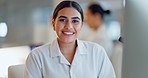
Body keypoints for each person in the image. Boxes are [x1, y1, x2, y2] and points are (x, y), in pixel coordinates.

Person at [24, 1, 116, 78]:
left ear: (81, 25)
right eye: (63, 20)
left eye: (75, 21)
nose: (69, 26)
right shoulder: (37, 57)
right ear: (53, 23)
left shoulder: (97, 52)